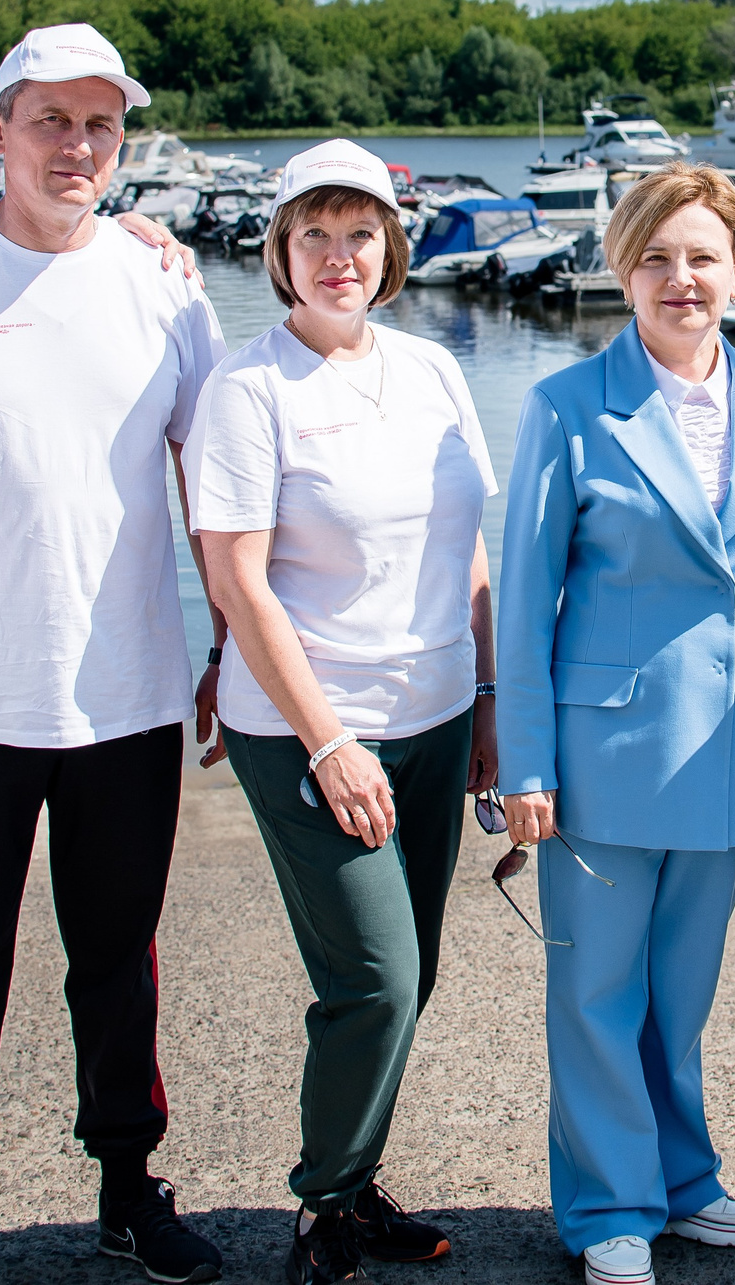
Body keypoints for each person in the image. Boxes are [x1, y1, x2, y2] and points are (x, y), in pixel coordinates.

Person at [0, 24, 229, 1285]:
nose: (77, 146)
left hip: (122, 687)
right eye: (50, 120)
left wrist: (230, 641)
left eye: (101, 124)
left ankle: (128, 1183)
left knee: (115, 960)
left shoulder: (163, 283)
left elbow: (216, 478)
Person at [495, 162, 735, 1285]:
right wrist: (526, 764)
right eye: (656, 256)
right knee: (597, 992)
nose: (680, 278)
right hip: (600, 757)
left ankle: (683, 1179)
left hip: (734, 745)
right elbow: (527, 593)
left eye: (701, 256)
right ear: (622, 270)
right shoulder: (564, 408)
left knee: (681, 991)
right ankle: (607, 1209)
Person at [186, 141, 500, 1285]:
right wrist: (328, 740)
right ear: (277, 250)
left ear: (391, 248)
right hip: (312, 728)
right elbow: (240, 581)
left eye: (358, 232)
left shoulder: (431, 369)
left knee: (416, 970)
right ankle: (324, 1205)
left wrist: (488, 693)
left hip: (431, 715)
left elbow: (468, 545)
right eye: (312, 233)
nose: (337, 256)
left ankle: (357, 1183)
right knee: (374, 976)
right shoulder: (248, 386)